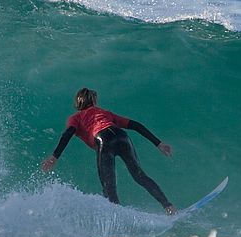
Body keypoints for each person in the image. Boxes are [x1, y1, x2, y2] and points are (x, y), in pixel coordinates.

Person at [42, 88, 177, 215]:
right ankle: (169, 207)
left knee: (109, 187)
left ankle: (119, 219)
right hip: (122, 136)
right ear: (93, 101)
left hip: (103, 140)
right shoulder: (105, 113)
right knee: (139, 175)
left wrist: (55, 156)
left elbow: (68, 133)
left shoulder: (75, 118)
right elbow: (135, 125)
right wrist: (158, 143)